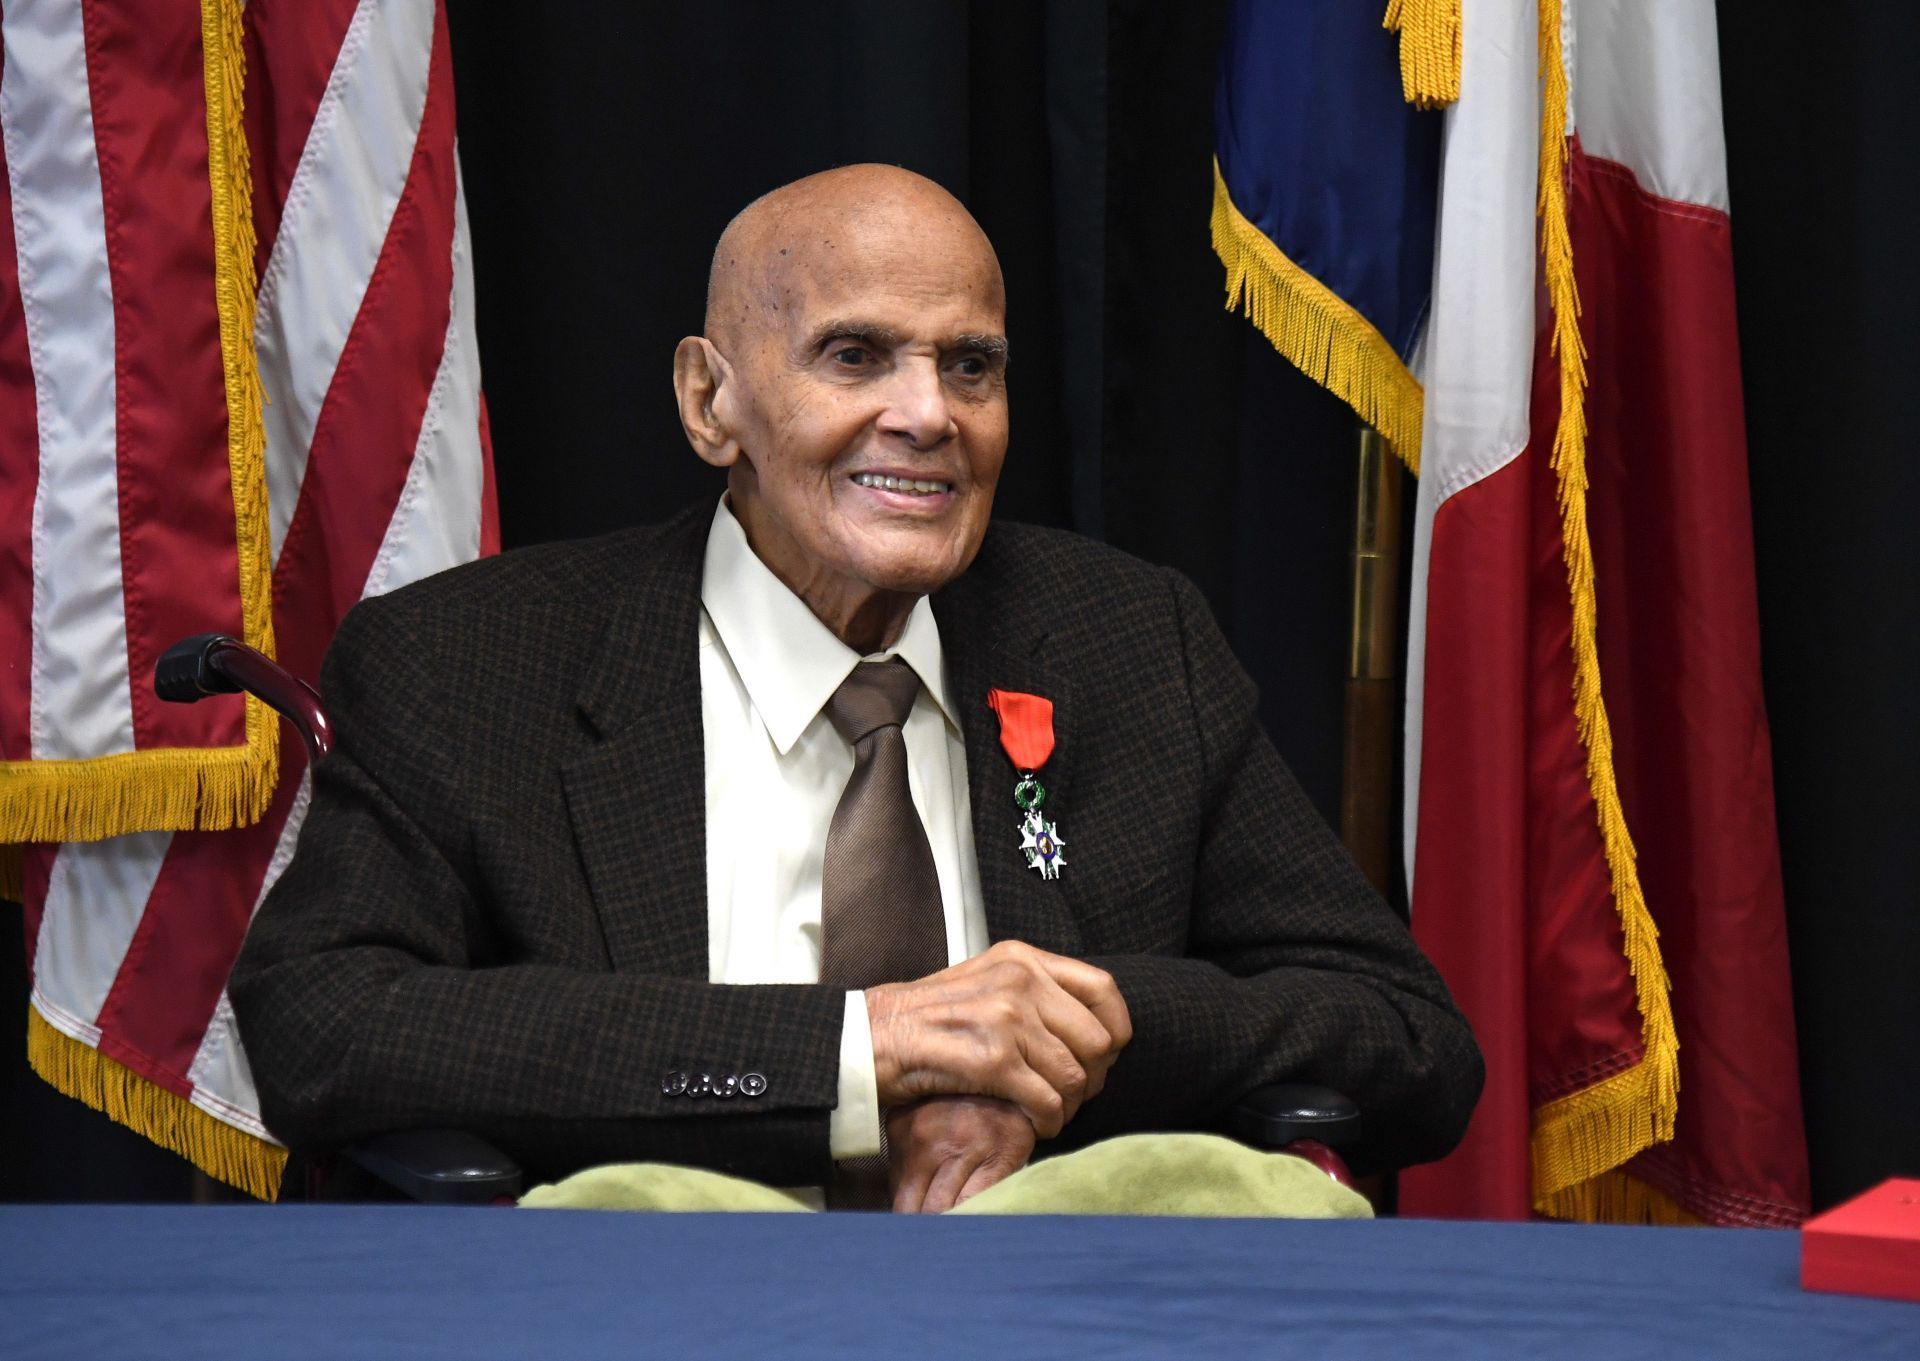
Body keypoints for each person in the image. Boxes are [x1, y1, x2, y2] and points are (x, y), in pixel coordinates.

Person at [230, 165, 1481, 1213]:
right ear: (710, 401)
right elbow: (324, 1022)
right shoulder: (472, 662)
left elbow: (1406, 1033)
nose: (928, 413)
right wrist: (862, 1051)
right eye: (855, 355)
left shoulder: (1129, 641)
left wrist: (1056, 1048)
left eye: (972, 366)